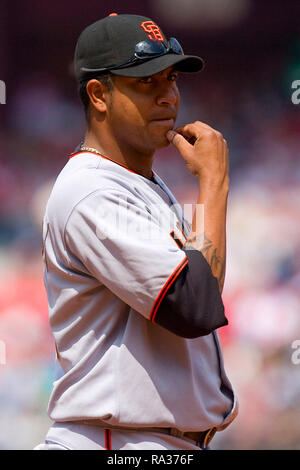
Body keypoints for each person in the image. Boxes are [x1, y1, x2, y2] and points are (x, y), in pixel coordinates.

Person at [35, 13, 238, 451]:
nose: (168, 97)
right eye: (147, 82)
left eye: (171, 79)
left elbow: (200, 292)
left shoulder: (140, 183)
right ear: (98, 94)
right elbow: (194, 307)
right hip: (117, 444)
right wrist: (215, 184)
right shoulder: (91, 189)